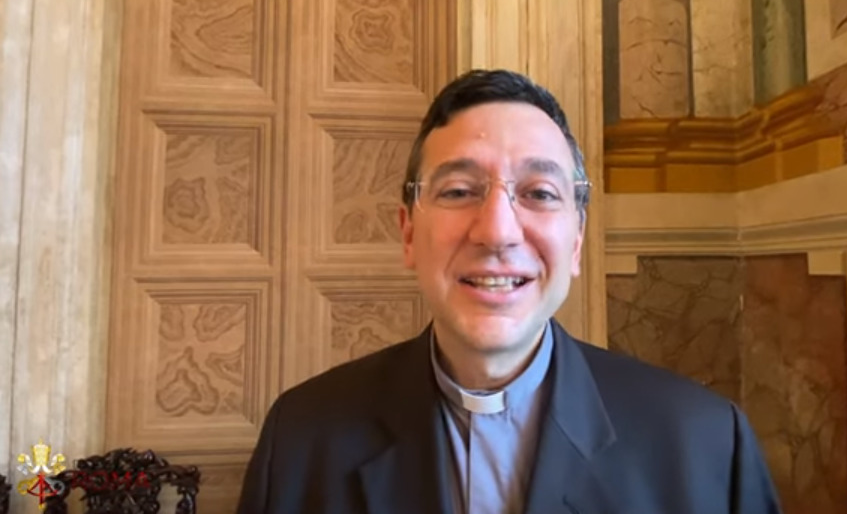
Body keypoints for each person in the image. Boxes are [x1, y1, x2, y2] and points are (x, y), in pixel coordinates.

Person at [236, 69, 783, 514]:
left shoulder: (706, 444)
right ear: (408, 234)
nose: (497, 231)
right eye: (458, 191)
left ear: (576, 241)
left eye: (539, 193)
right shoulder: (302, 440)